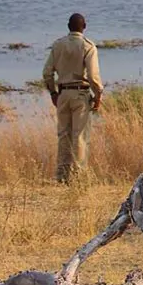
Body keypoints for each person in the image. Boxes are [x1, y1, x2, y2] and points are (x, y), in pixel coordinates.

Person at [43, 13, 104, 183]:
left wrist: (53, 92)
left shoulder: (58, 45)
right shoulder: (88, 46)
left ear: (68, 26)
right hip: (80, 94)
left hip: (63, 94)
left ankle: (62, 175)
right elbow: (93, 76)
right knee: (80, 136)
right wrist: (98, 94)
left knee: (63, 135)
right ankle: (78, 177)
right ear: (84, 26)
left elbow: (47, 72)